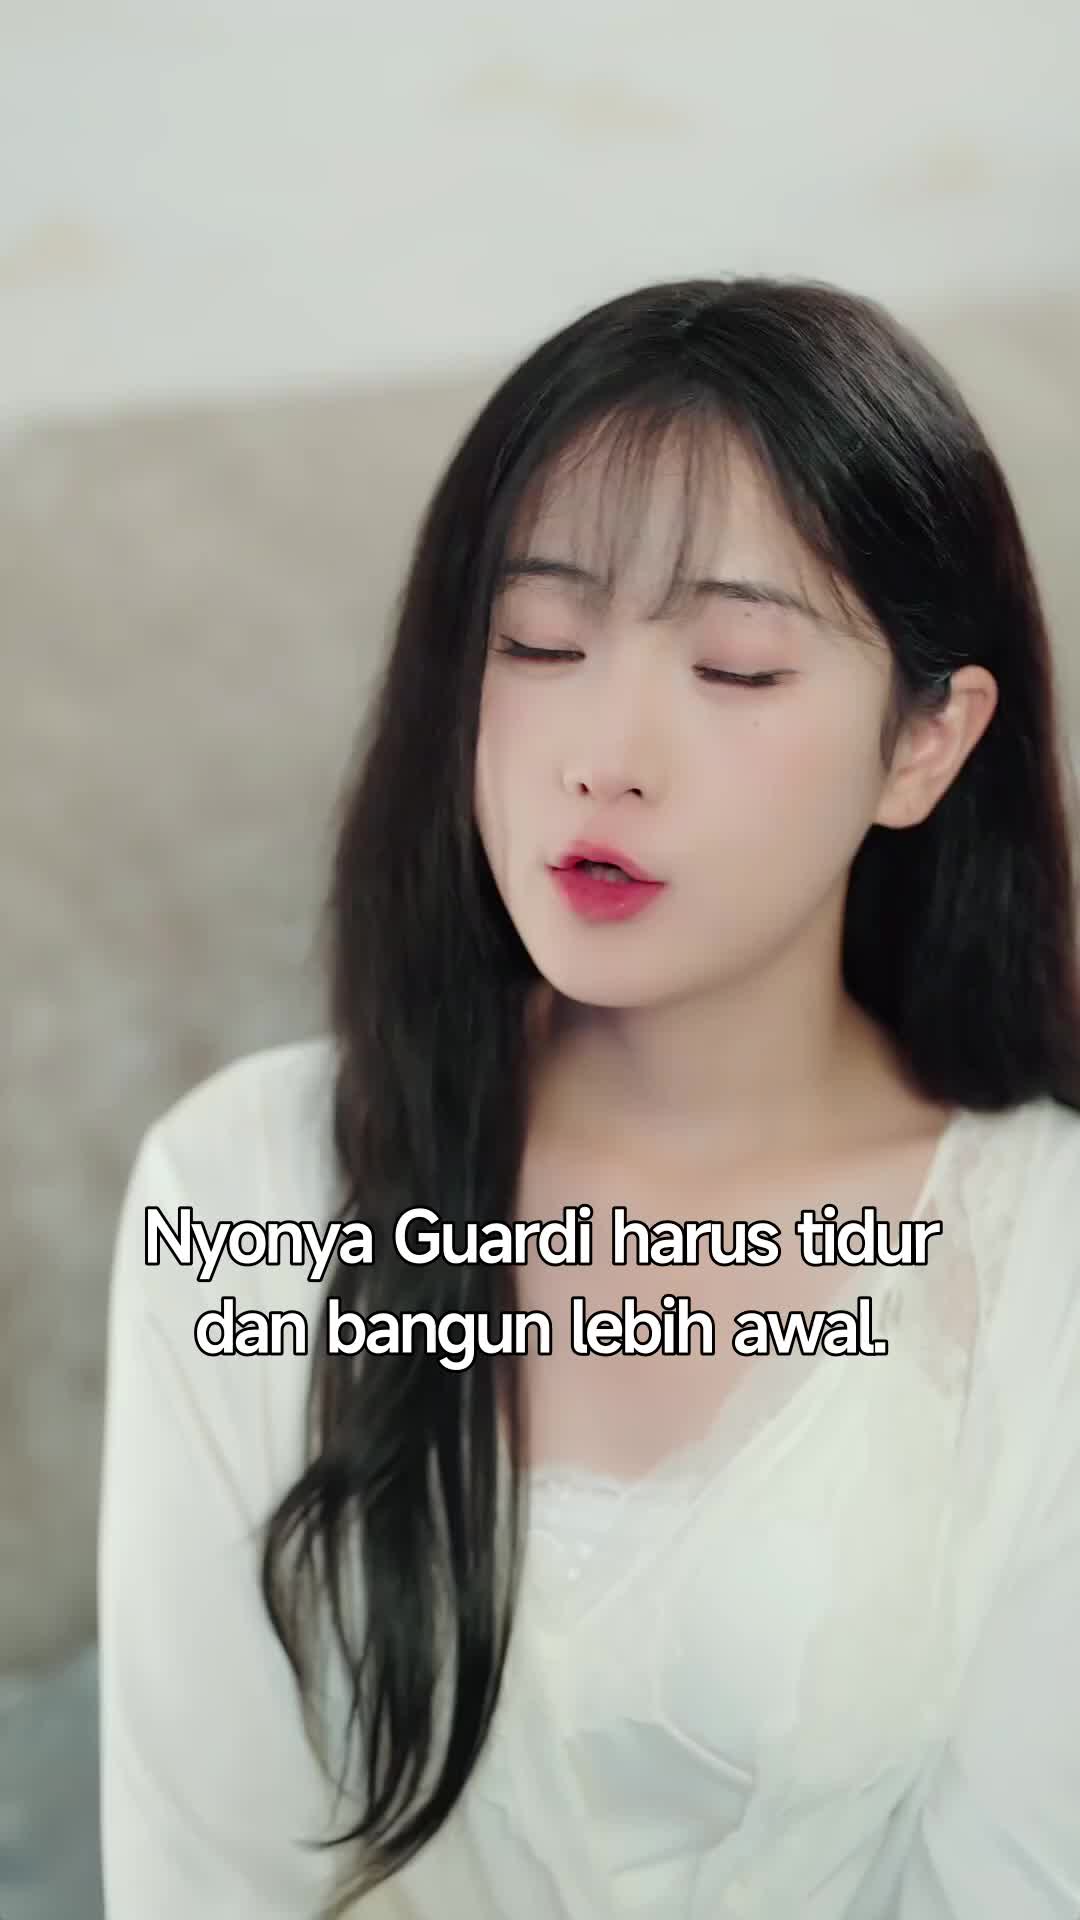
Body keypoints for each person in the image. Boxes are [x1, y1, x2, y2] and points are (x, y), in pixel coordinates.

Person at [97, 275, 1080, 1919]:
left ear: (925, 742)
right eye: (540, 644)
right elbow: (206, 1872)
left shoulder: (1046, 1256)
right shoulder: (247, 1185)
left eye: (738, 668)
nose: (604, 755)